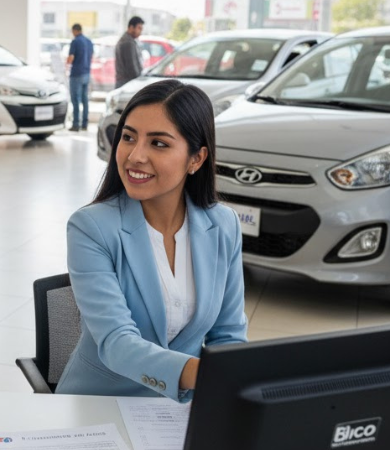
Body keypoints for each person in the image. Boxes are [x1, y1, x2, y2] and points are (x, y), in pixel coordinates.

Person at [55, 79, 248, 401]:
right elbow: (118, 343)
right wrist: (207, 376)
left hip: (183, 409)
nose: (135, 156)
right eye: (128, 137)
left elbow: (227, 335)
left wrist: (227, 387)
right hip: (98, 404)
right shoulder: (91, 227)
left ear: (196, 159)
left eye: (158, 143)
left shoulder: (223, 225)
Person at [67, 23, 94, 132]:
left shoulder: (75, 41)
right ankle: (84, 124)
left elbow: (70, 58)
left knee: (75, 100)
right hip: (86, 73)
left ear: (75, 30)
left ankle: (76, 124)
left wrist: (67, 60)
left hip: (76, 74)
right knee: (85, 99)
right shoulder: (89, 41)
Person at [115, 16, 145, 89]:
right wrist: (139, 82)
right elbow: (132, 67)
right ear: (131, 27)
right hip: (126, 84)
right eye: (139, 28)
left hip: (124, 82)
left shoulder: (128, 40)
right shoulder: (128, 42)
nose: (140, 32)